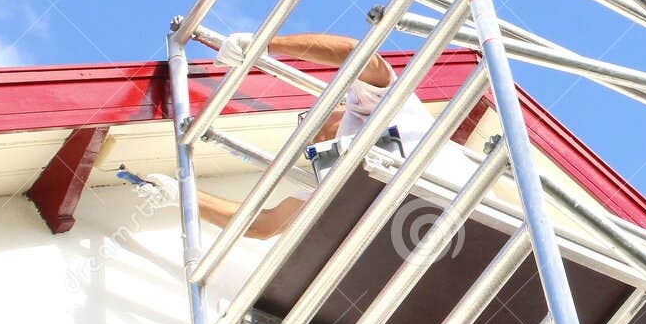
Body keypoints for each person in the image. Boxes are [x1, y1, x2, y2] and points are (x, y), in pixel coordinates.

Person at [136, 30, 458, 238]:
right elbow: (266, 224)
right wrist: (184, 195)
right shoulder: (339, 180)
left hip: (456, 196)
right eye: (305, 138)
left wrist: (263, 44)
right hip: (416, 230)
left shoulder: (374, 107)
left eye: (308, 119)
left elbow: (355, 53)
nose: (309, 133)